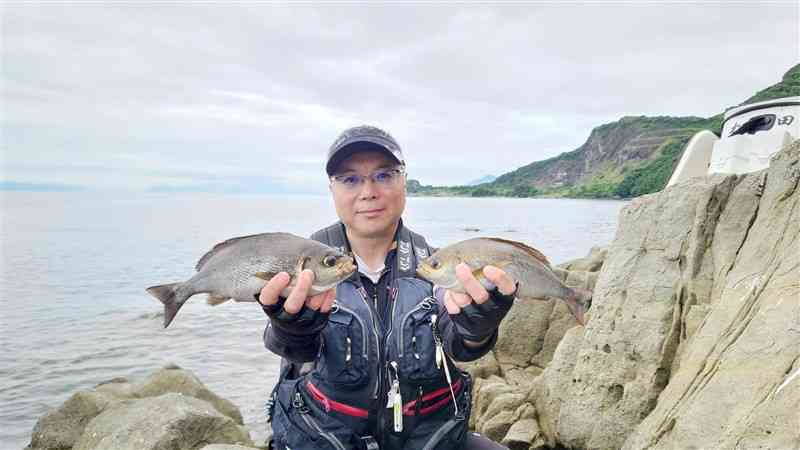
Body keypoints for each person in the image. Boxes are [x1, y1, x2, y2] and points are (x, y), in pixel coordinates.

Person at [259, 125, 516, 450]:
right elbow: (290, 348)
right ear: (332, 188)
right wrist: (289, 326)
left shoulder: (434, 268)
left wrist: (479, 324)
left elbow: (463, 344)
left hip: (429, 440)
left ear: (403, 180)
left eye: (384, 175)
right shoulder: (305, 264)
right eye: (350, 179)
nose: (368, 191)